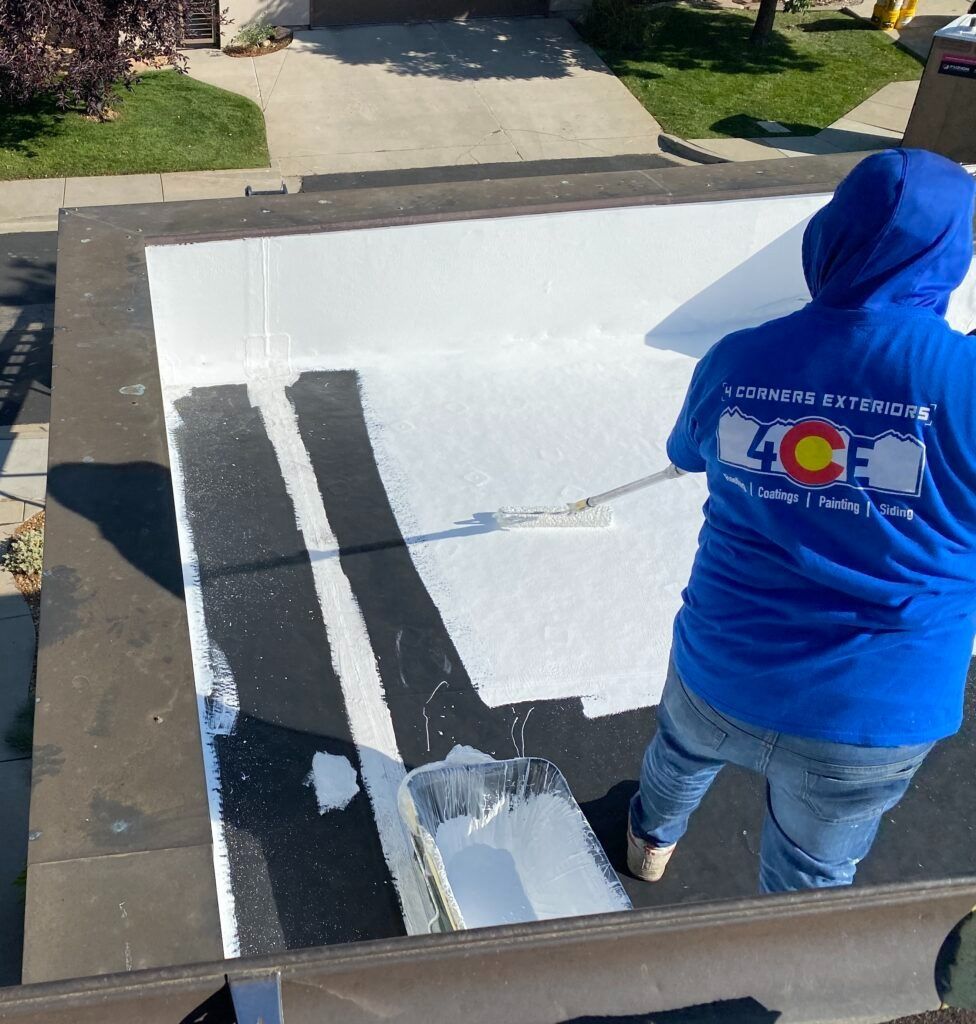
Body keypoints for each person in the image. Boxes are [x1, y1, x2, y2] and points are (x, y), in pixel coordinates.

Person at [628, 149, 976, 893]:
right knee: (810, 876)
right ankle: (775, 990)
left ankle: (648, 846)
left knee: (677, 762)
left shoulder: (739, 357)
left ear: (830, 236)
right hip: (872, 713)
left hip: (719, 668)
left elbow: (687, 452)